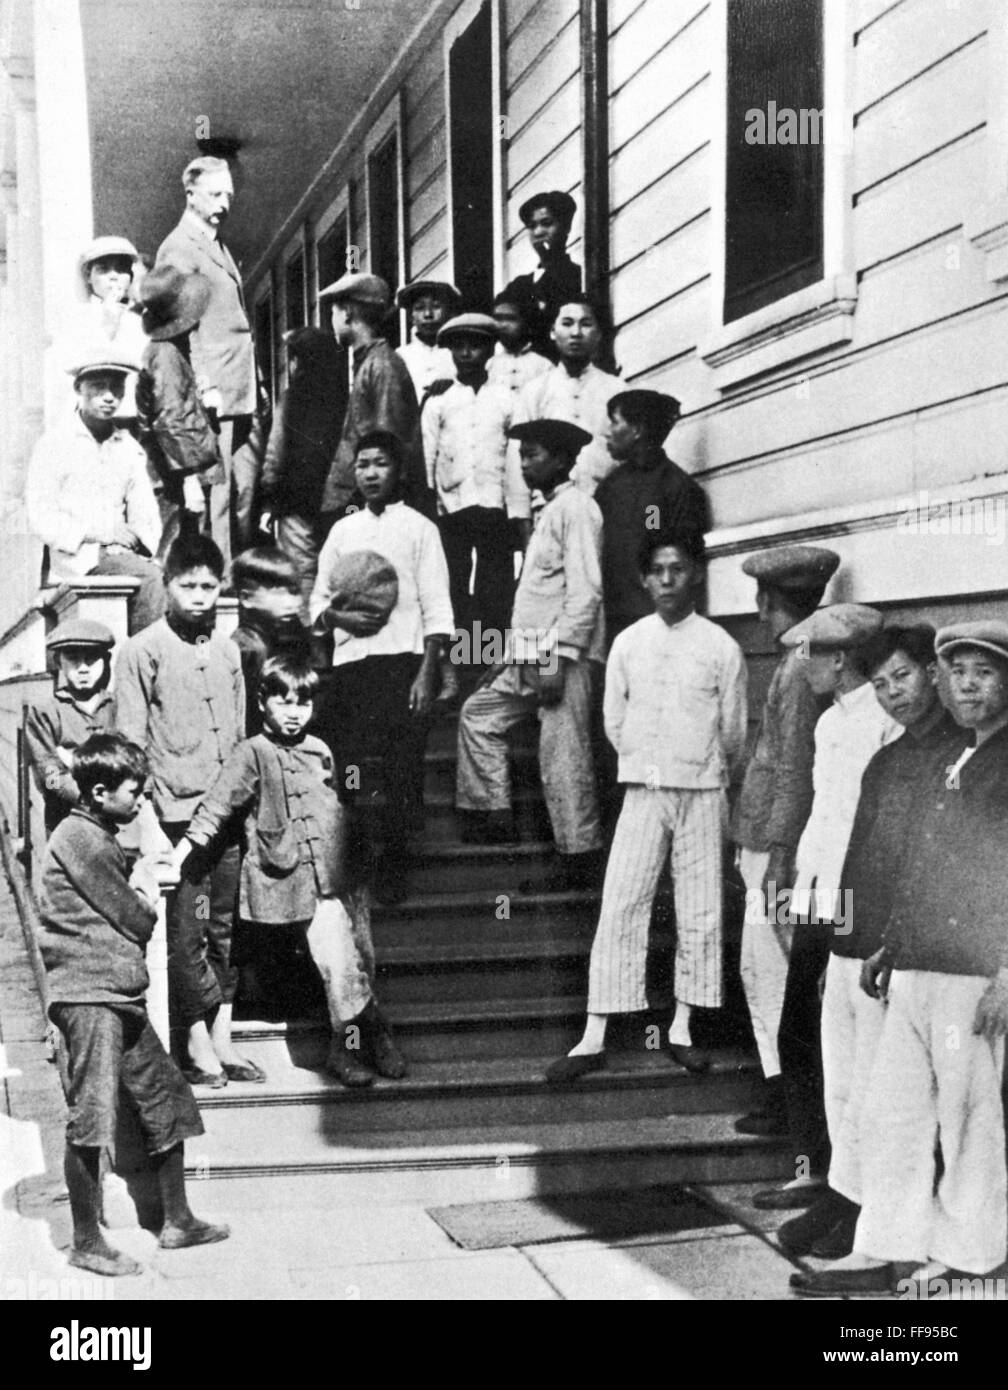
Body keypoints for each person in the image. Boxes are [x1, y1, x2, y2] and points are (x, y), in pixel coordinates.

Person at [793, 620, 1008, 1297]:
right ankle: (885, 1246)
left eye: (985, 672)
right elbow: (925, 862)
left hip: (970, 973)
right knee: (892, 1114)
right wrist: (889, 941)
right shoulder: (961, 757)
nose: (968, 685)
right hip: (917, 963)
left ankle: (971, 1258)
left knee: (969, 1122)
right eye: (959, 672)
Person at [546, 532, 748, 1084]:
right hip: (643, 787)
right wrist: (647, 763)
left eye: (677, 569)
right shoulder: (629, 643)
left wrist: (701, 768)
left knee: (701, 909)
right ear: (643, 578)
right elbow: (614, 722)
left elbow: (733, 732)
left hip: (705, 791)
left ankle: (682, 1027)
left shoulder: (721, 647)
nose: (666, 580)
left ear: (696, 575)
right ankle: (594, 1036)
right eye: (656, 570)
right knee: (622, 902)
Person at [37, 733, 228, 1277]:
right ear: (99, 792)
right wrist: (144, 881)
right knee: (91, 1118)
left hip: (119, 996)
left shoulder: (96, 833)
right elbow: (139, 918)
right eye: (134, 793)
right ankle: (85, 1240)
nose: (142, 802)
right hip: (90, 999)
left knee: (168, 1099)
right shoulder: (83, 839)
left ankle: (178, 1221)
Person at [172, 657, 407, 1088]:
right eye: (283, 701)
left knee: (357, 960)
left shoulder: (321, 750)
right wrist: (183, 851)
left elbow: (335, 805)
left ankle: (357, 1041)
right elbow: (218, 806)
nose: (294, 711)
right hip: (287, 880)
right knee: (340, 961)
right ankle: (364, 1039)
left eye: (303, 702)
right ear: (262, 703)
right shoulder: (252, 753)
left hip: (335, 876)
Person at [753, 603, 900, 1214]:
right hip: (820, 894)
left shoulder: (881, 723)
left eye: (808, 653)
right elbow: (822, 815)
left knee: (852, 1041)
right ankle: (815, 1169)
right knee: (802, 1031)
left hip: (857, 900)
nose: (799, 664)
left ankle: (850, 1188)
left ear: (840, 659)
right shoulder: (828, 723)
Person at [114, 532, 259, 1087]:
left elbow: (243, 737)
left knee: (224, 929)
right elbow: (129, 745)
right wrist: (148, 823)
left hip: (228, 819)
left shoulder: (227, 649)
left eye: (208, 585)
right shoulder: (142, 651)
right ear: (168, 586)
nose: (199, 596)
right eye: (187, 585)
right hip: (176, 821)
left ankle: (222, 1035)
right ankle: (195, 1042)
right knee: (188, 931)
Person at [456, 419, 605, 889]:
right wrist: (504, 658)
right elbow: (537, 596)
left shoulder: (578, 509)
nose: (524, 464)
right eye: (521, 456)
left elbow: (586, 590)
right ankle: (493, 812)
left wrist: (560, 657)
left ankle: (577, 856)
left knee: (564, 757)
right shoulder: (548, 511)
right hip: (528, 655)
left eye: (534, 454)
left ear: (562, 459)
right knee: (477, 714)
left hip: (559, 657)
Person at [311, 432, 453, 904]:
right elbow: (317, 602)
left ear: (399, 472)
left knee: (401, 766)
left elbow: (438, 608)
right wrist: (336, 617)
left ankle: (395, 861)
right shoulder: (342, 532)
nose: (370, 474)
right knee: (349, 764)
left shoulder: (419, 529)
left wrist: (428, 672)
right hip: (352, 668)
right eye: (362, 465)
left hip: (404, 665)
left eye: (381, 465)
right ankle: (354, 854)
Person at [730, 545, 838, 1138]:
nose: (761, 612)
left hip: (779, 848)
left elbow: (795, 769)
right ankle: (786, 1093)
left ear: (770, 601)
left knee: (771, 971)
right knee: (762, 967)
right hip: (766, 838)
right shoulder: (800, 660)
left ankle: (789, 1100)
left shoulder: (799, 669)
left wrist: (775, 855)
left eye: (764, 601)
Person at [156, 155, 262, 567]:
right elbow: (181, 325)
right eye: (215, 194)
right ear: (191, 194)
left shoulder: (217, 244)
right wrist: (203, 383)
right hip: (214, 388)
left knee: (245, 488)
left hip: (241, 388)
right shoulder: (178, 248)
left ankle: (235, 576)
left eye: (229, 195)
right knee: (215, 495)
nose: (224, 203)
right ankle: (213, 590)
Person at [26, 348, 165, 634]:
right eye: (99, 387)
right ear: (79, 388)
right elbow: (40, 516)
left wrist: (135, 543)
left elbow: (146, 514)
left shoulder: (128, 448)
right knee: (151, 581)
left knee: (166, 581)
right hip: (76, 562)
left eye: (117, 388)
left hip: (122, 559)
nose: (109, 396)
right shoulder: (54, 445)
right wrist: (101, 533)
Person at [422, 312, 528, 642]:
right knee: (454, 584)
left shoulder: (508, 399)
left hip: (493, 507)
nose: (467, 354)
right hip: (451, 508)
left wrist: (517, 512)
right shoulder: (439, 400)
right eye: (459, 347)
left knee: (494, 584)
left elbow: (515, 461)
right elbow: (428, 454)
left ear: (490, 351)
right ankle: (459, 666)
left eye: (475, 346)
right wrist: (429, 506)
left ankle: (488, 658)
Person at [594, 390, 710, 642]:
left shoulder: (677, 488)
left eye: (614, 421)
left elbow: (684, 564)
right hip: (611, 622)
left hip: (659, 625)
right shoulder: (609, 487)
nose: (607, 431)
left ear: (636, 430)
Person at [317, 271, 433, 521]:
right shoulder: (369, 362)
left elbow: (387, 443)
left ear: (347, 313)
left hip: (371, 504)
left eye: (334, 312)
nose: (332, 321)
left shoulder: (381, 365)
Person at [135, 264, 223, 556]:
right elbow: (169, 420)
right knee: (172, 556)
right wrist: (189, 481)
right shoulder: (166, 356)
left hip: (179, 475)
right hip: (175, 481)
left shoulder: (169, 352)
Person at [259, 326, 347, 615]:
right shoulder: (343, 397)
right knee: (336, 569)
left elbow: (276, 451)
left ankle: (310, 640)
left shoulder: (291, 398)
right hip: (336, 500)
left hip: (294, 500)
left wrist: (269, 498)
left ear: (298, 361)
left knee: (301, 573)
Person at [509, 297, 621, 504]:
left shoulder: (616, 390)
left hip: (606, 508)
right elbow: (518, 463)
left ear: (598, 334)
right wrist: (522, 518)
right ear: (552, 331)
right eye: (567, 323)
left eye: (586, 324)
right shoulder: (534, 391)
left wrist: (652, 526)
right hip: (548, 507)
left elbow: (652, 514)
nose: (576, 333)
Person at [24, 620, 117, 836]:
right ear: (59, 662)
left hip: (117, 821)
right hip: (66, 821)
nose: (83, 668)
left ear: (106, 660)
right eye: (73, 659)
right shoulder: (45, 712)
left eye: (92, 659)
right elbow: (49, 774)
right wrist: (96, 802)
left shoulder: (118, 706)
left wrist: (72, 761)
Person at [57, 236, 148, 422]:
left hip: (133, 418)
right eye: (103, 270)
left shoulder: (137, 321)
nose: (114, 277)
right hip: (91, 419)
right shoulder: (77, 319)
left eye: (121, 269)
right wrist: (107, 326)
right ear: (88, 276)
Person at [230, 546, 311, 735]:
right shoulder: (247, 649)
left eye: (294, 592)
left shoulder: (279, 639)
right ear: (246, 598)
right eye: (278, 593)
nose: (291, 602)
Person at [501, 190, 583, 360]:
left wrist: (553, 261)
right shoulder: (519, 286)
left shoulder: (576, 276)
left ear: (566, 227)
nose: (538, 232)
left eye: (546, 223)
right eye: (532, 226)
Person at [395, 280, 459, 404]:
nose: (428, 314)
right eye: (419, 308)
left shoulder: (459, 352)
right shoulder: (400, 356)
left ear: (449, 312)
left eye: (436, 307)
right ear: (411, 317)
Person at [486, 289, 551, 399]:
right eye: (498, 318)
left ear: (527, 322)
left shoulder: (544, 366)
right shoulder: (489, 365)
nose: (503, 325)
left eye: (511, 319)